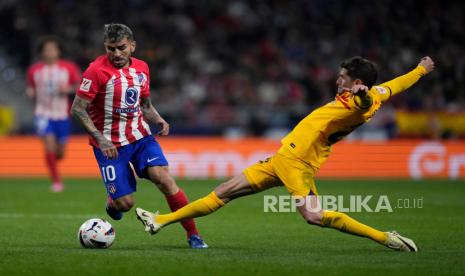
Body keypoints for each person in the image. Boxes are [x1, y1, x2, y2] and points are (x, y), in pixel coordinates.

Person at [136, 56, 435, 252]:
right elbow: (395, 86)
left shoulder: (361, 101)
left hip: (298, 164)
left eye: (343, 77)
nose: (338, 80)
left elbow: (365, 100)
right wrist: (420, 70)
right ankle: (160, 220)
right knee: (224, 191)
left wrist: (362, 94)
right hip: (282, 159)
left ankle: (385, 238)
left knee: (314, 216)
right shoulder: (375, 94)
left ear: (357, 83)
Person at [71, 23, 207, 249]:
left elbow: (144, 104)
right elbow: (77, 108)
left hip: (140, 137)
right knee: (125, 204)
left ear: (132, 46)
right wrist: (100, 138)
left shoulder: (142, 68)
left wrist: (158, 119)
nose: (116, 54)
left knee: (164, 179)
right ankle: (113, 203)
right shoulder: (95, 71)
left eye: (121, 48)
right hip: (110, 145)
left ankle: (193, 235)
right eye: (110, 48)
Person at [26, 36, 81, 192]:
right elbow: (30, 87)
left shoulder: (68, 68)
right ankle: (57, 182)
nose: (50, 52)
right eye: (47, 49)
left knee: (60, 152)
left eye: (53, 49)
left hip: (62, 114)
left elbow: (80, 85)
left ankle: (53, 160)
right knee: (49, 144)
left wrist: (68, 89)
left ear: (58, 51)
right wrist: (30, 92)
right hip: (42, 114)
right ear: (42, 52)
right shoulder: (34, 70)